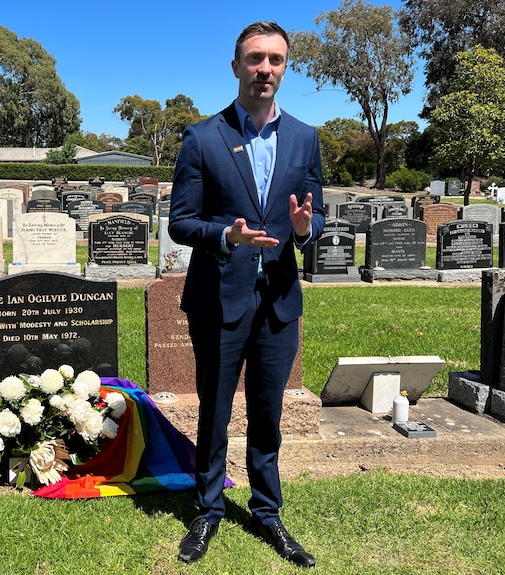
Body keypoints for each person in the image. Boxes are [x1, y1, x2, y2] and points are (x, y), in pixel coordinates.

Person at [168, 21, 324, 568]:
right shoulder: (202, 137)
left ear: (285, 68)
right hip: (219, 297)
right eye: (255, 58)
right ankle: (207, 510)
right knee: (213, 411)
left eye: (275, 60)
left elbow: (317, 214)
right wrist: (225, 235)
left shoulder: (305, 137)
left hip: (279, 299)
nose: (266, 69)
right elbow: (181, 223)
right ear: (235, 66)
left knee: (268, 410)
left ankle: (267, 512)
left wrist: (305, 229)